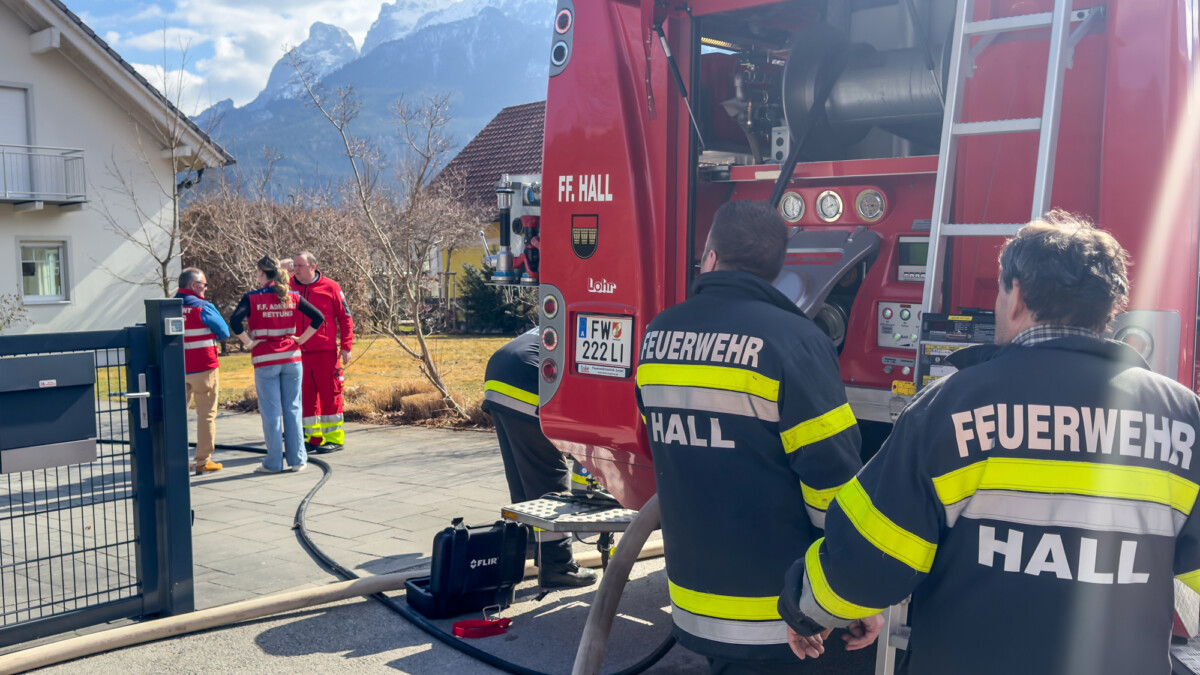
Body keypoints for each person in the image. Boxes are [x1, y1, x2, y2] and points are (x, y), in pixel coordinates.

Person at [778, 211, 1200, 675]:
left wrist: (807, 609)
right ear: (1108, 308)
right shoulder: (1182, 416)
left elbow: (870, 556)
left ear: (1016, 295)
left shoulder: (951, 405)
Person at [635, 200, 862, 674]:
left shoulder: (657, 336)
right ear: (776, 272)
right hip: (781, 616)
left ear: (710, 258)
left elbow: (661, 438)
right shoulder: (796, 343)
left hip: (694, 603)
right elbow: (832, 484)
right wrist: (851, 591)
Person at [482, 328, 597, 588]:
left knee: (523, 474)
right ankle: (558, 566)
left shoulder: (573, 323)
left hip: (499, 374)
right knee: (550, 479)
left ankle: (530, 544)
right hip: (526, 379)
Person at [230, 257, 325, 474]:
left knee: (271, 413)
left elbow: (234, 321)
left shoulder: (252, 297)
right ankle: (298, 460)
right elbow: (318, 318)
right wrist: (300, 339)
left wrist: (249, 343)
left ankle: (273, 463)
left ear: (261, 273)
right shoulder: (292, 296)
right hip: (292, 359)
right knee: (293, 409)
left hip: (265, 360)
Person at [292, 251, 354, 453]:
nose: (295, 270)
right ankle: (313, 438)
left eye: (300, 266)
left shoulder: (331, 287)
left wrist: (346, 346)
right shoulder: (289, 288)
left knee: (330, 395)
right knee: (306, 397)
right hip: (298, 353)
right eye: (294, 266)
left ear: (313, 266)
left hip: (325, 353)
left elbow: (345, 318)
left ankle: (334, 438)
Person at [176, 267, 230, 475]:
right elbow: (224, 332)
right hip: (203, 368)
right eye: (204, 285)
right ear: (193, 285)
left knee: (176, 415)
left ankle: (176, 461)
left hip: (176, 369)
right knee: (206, 415)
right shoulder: (203, 307)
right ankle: (202, 461)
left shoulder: (167, 307)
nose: (206, 288)